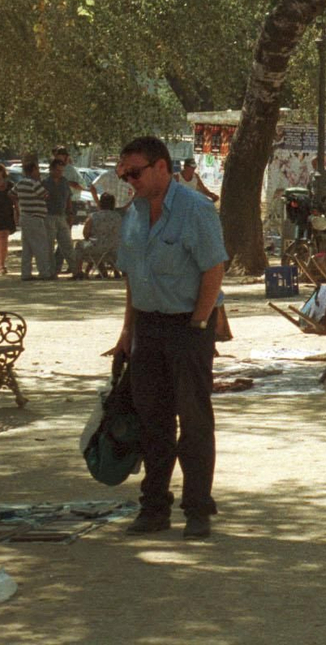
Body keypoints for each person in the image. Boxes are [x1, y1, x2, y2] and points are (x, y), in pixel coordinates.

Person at [109, 135, 227, 539]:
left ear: (162, 167)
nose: (129, 181)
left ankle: (196, 509)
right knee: (152, 421)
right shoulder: (134, 213)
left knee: (193, 422)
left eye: (135, 172)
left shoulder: (195, 209)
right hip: (148, 327)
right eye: (124, 174)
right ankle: (154, 507)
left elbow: (214, 270)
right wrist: (127, 331)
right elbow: (132, 277)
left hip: (188, 325)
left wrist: (197, 327)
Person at [12, 157, 50, 281]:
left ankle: (26, 273)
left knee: (27, 247)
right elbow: (45, 195)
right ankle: (44, 272)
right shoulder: (34, 183)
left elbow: (11, 194)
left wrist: (20, 203)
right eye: (37, 169)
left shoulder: (20, 183)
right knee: (40, 246)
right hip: (35, 217)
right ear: (33, 170)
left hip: (25, 216)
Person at [45, 157, 79, 279]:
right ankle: (51, 272)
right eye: (58, 170)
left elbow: (68, 197)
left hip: (62, 216)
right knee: (49, 245)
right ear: (51, 170)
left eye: (62, 170)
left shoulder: (64, 181)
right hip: (49, 216)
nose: (60, 173)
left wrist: (70, 213)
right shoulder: (45, 183)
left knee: (67, 244)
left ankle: (76, 271)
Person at [78, 194, 124, 277]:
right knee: (106, 247)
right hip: (114, 248)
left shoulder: (93, 216)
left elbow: (86, 234)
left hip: (97, 247)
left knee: (81, 245)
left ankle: (79, 271)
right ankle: (113, 271)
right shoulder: (118, 217)